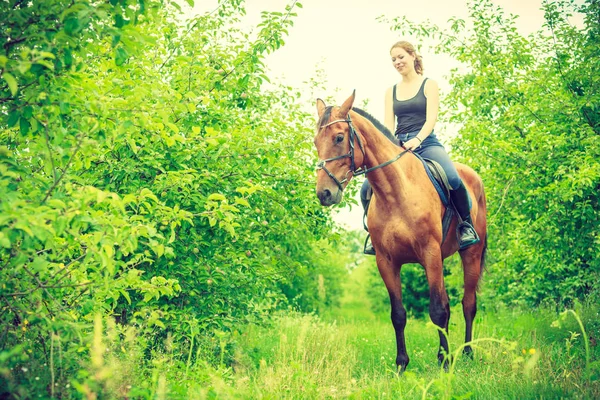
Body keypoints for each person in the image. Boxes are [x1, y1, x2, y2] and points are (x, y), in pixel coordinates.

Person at [361, 40, 479, 255]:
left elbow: (431, 119)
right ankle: (373, 235)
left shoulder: (428, 84)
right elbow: (389, 126)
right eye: (393, 59)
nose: (397, 62)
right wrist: (391, 146)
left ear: (412, 56)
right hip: (399, 146)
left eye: (401, 57)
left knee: (452, 177)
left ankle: (465, 226)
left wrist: (418, 140)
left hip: (426, 143)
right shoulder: (391, 91)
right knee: (366, 187)